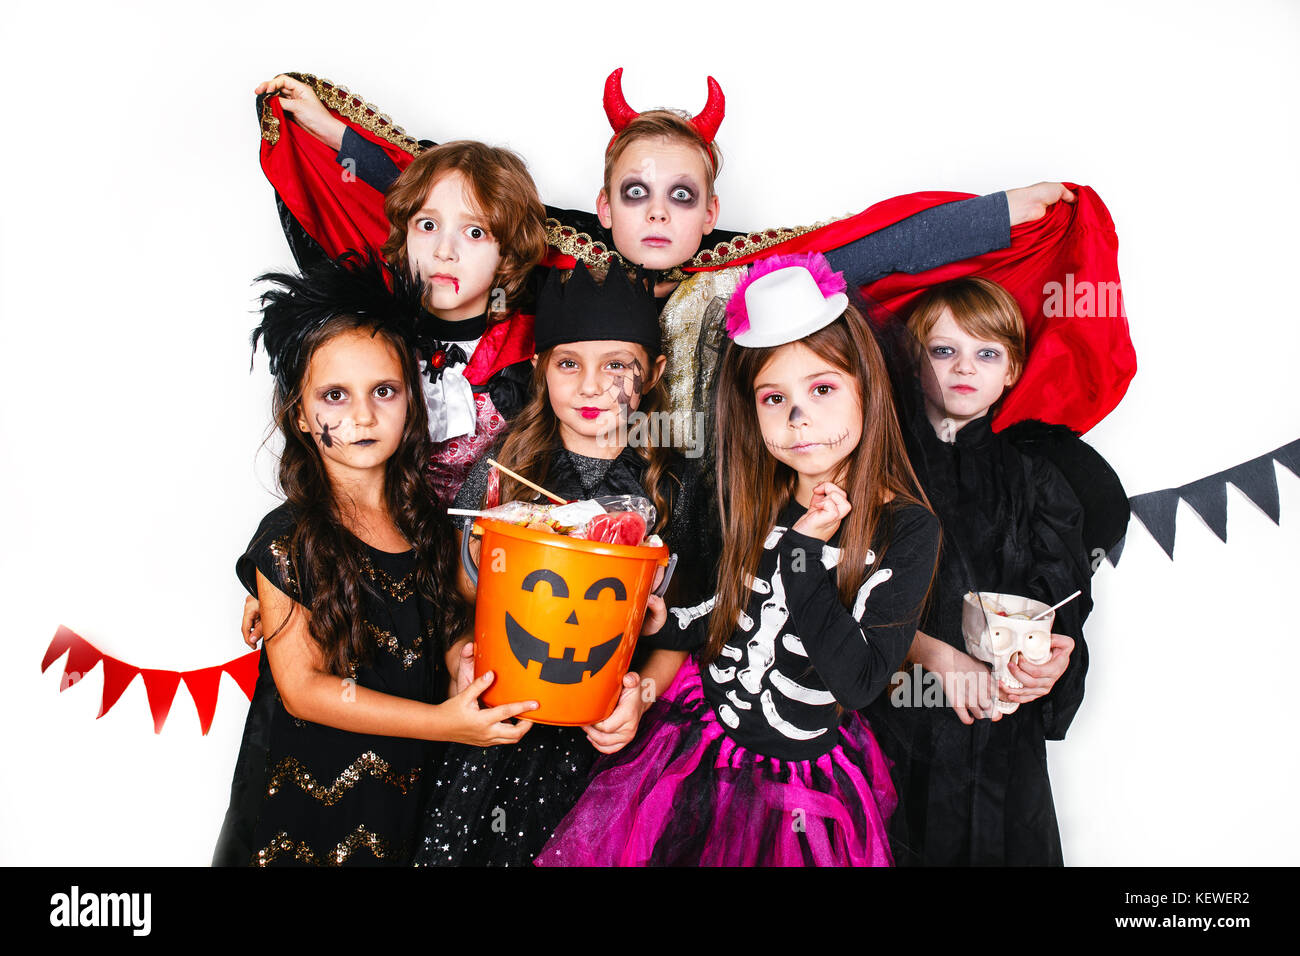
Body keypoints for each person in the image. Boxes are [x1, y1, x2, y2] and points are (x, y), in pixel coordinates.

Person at [536, 253, 940, 866]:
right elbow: (727, 609)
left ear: (868, 387)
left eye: (823, 389)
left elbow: (857, 682)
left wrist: (804, 551)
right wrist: (662, 621)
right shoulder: (760, 496)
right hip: (699, 741)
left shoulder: (908, 530)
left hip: (797, 784)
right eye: (774, 398)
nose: (799, 419)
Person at [214, 254, 537, 867]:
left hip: (397, 805)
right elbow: (304, 688)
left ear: (412, 402)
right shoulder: (290, 537)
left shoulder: (426, 528)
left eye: (383, 391)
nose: (362, 415)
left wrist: (461, 663)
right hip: (298, 817)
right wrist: (445, 725)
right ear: (302, 414)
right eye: (335, 395)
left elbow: (441, 629)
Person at [413, 262, 709, 866]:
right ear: (541, 369)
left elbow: (683, 623)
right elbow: (451, 593)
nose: (592, 386)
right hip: (502, 720)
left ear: (651, 375)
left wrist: (642, 695)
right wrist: (456, 662)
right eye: (568, 363)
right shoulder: (503, 465)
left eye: (617, 365)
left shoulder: (675, 485)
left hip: (607, 737)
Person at [866, 277, 1100, 865]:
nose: (963, 367)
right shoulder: (877, 470)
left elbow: (1063, 605)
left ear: (1012, 368)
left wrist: (1050, 663)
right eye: (943, 351)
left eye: (986, 353)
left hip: (999, 745)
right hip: (891, 731)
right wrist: (929, 654)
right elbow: (840, 598)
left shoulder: (1037, 482)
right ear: (912, 362)